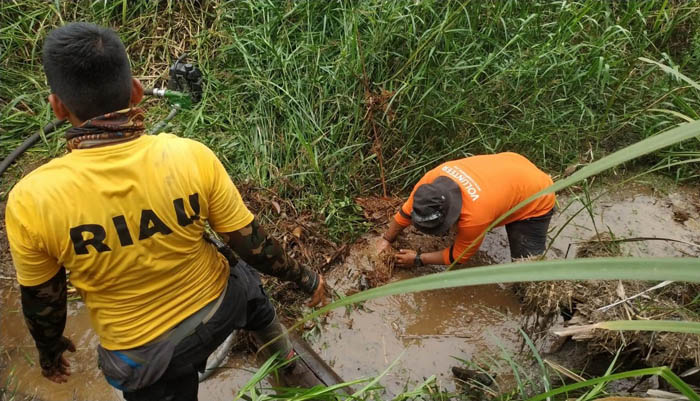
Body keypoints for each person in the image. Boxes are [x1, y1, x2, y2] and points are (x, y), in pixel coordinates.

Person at [5, 22, 327, 401]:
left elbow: (45, 305)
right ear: (137, 91)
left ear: (57, 106)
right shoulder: (190, 156)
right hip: (221, 309)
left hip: (146, 361)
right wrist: (307, 279)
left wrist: (50, 353)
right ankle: (284, 355)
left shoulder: (31, 199)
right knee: (246, 279)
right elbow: (253, 247)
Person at [377, 153, 556, 267]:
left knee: (525, 270)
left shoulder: (475, 217)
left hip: (537, 196)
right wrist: (386, 240)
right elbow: (404, 214)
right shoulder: (430, 183)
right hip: (513, 165)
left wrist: (418, 259)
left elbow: (458, 257)